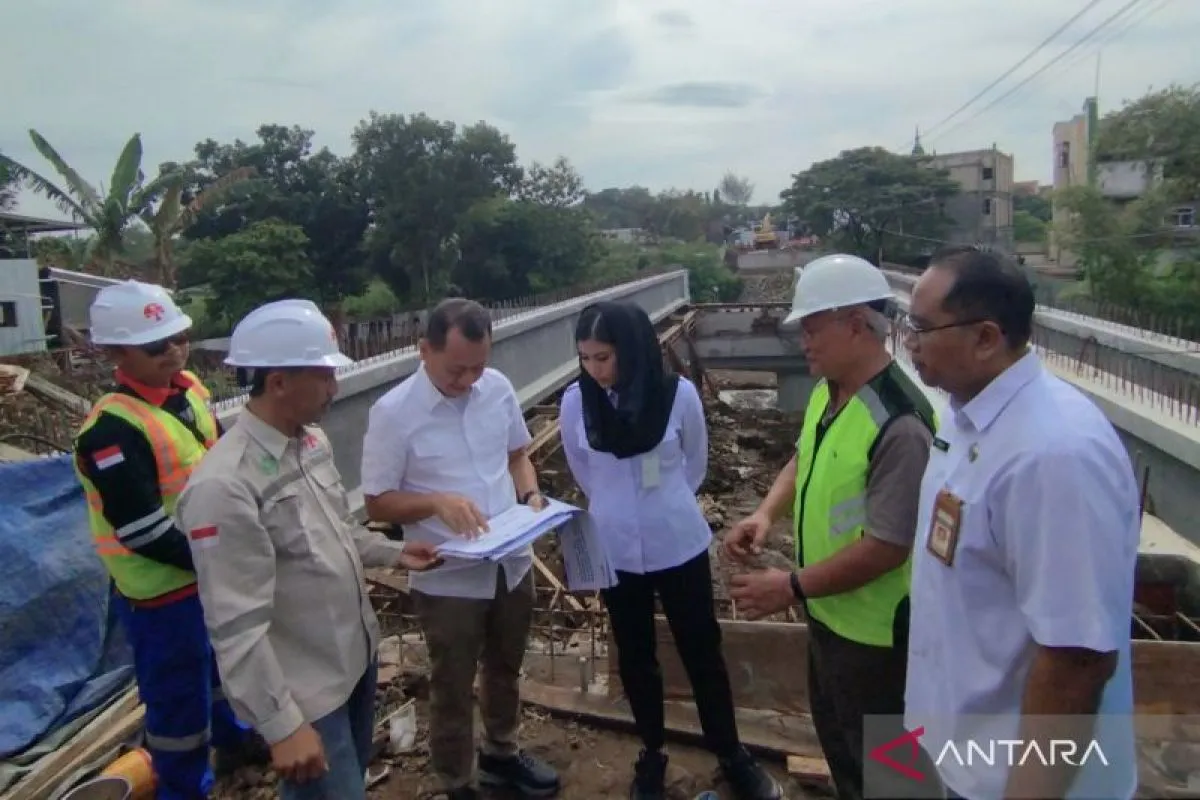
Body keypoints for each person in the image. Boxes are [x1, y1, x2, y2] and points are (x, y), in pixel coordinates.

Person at [174, 299, 441, 800]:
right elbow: (235, 626)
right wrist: (282, 725)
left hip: (353, 664)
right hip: (307, 695)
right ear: (278, 383)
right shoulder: (224, 487)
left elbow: (336, 530)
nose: (335, 389)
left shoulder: (310, 443)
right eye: (324, 377)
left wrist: (393, 554)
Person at [902, 246, 1138, 800]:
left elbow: (1077, 658)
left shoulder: (1053, 455)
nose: (908, 342)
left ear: (986, 338)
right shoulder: (966, 416)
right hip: (960, 754)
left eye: (922, 328)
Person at [724, 254, 937, 800]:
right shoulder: (830, 390)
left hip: (878, 640)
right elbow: (804, 456)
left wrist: (789, 586)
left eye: (813, 328)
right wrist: (765, 513)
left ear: (856, 324)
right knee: (843, 750)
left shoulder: (900, 424)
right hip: (828, 618)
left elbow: (888, 547)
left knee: (891, 775)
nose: (804, 342)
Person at [559, 301, 784, 800]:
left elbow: (694, 465)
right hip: (616, 550)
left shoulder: (677, 395)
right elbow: (583, 471)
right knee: (636, 655)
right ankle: (652, 752)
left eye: (603, 358)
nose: (594, 370)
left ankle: (730, 752)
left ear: (631, 349)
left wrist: (657, 505)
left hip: (678, 544)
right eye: (585, 358)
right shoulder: (576, 403)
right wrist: (621, 508)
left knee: (702, 650)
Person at [359, 298, 561, 800]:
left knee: (505, 667)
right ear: (423, 350)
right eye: (456, 370)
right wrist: (434, 503)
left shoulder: (497, 389)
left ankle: (501, 753)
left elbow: (518, 455)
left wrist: (530, 496)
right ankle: (457, 781)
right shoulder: (393, 413)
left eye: (478, 366)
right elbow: (377, 501)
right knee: (452, 681)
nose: (469, 379)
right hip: (448, 573)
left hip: (511, 560)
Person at [72, 280, 265, 799]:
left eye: (179, 337)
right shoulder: (110, 432)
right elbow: (143, 531)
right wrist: (219, 559)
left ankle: (237, 741)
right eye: (156, 345)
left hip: (206, 571)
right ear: (116, 353)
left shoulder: (190, 392)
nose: (173, 351)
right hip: (162, 593)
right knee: (178, 701)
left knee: (225, 667)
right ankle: (184, 787)